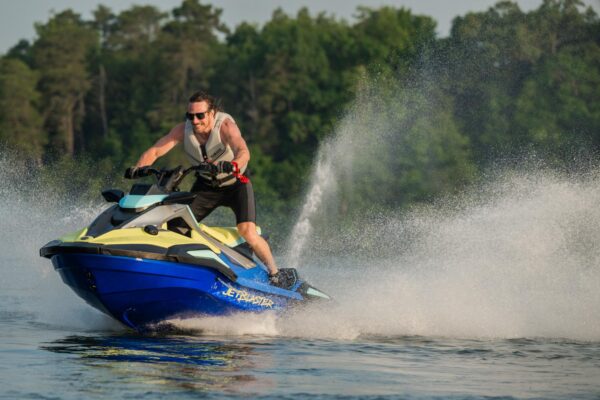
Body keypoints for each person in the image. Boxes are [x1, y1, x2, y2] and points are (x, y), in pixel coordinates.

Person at [127, 91, 283, 284]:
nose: (195, 120)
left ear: (212, 113)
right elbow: (156, 150)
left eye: (200, 115)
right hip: (206, 186)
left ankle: (275, 274)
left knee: (247, 231)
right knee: (176, 225)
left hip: (236, 184)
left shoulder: (225, 126)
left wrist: (233, 165)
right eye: (190, 115)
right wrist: (138, 168)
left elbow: (243, 150)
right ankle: (181, 268)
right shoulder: (182, 130)